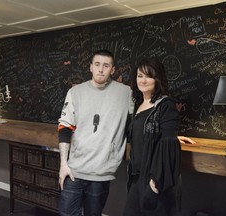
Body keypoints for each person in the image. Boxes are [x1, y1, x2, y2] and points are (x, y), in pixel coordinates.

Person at [58, 49, 194, 216]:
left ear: (113, 70)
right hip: (76, 170)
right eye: (97, 64)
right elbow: (65, 128)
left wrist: (169, 136)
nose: (101, 69)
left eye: (106, 65)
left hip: (105, 172)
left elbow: (150, 122)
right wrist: (63, 164)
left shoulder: (127, 94)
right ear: (90, 67)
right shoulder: (76, 92)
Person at [123, 57, 182, 216]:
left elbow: (168, 145)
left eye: (148, 76)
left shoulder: (166, 105)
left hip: (153, 180)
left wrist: (155, 182)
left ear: (158, 79)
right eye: (139, 75)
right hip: (136, 178)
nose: (143, 80)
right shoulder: (138, 105)